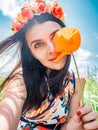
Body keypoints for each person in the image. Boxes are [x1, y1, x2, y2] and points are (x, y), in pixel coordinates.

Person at [0, 0, 98, 130]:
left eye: (55, 36)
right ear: (32, 53)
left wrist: (75, 126)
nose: (52, 49)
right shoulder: (21, 81)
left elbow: (67, 125)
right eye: (38, 44)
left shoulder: (78, 81)